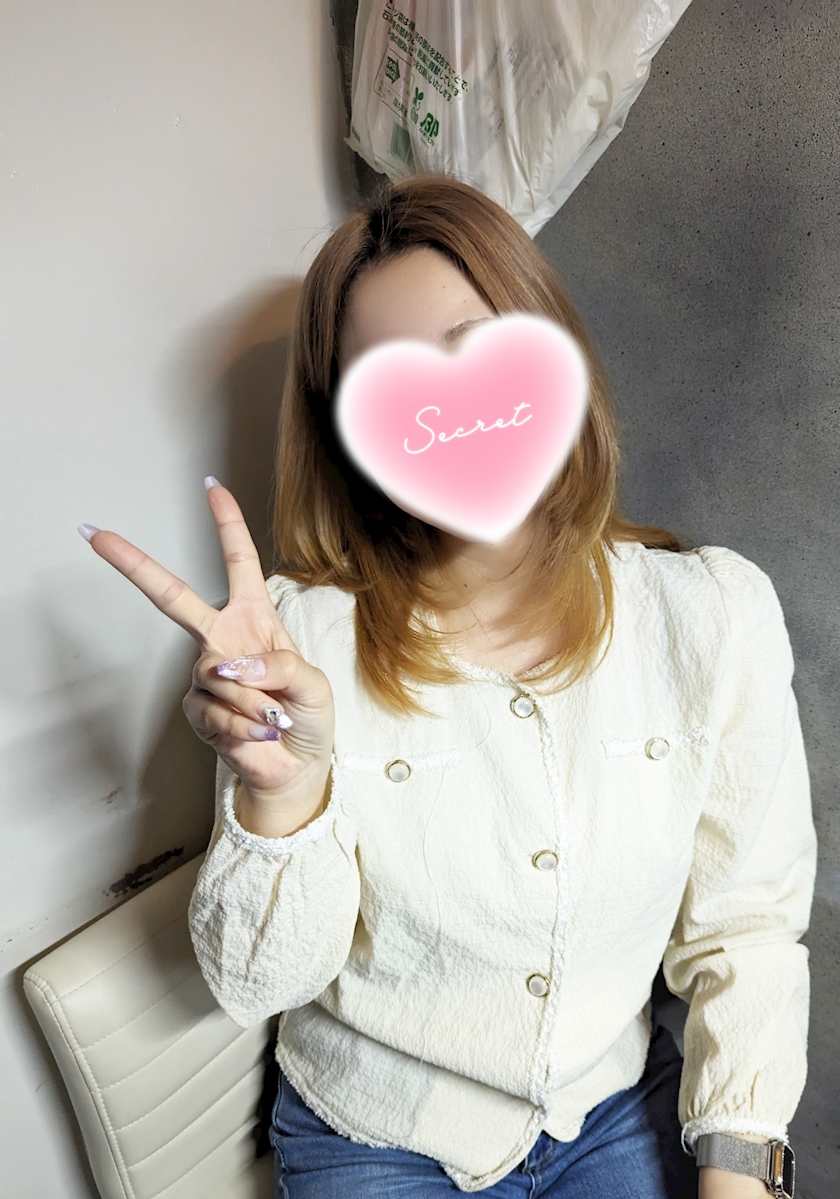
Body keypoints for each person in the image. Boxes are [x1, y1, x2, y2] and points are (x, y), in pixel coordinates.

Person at [80, 176, 816, 1199]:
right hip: (375, 1132)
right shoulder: (300, 641)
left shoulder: (714, 614)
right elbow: (256, 983)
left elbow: (746, 929)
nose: (452, 413)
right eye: (394, 386)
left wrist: (741, 1165)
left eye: (477, 348)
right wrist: (283, 795)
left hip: (610, 1105)